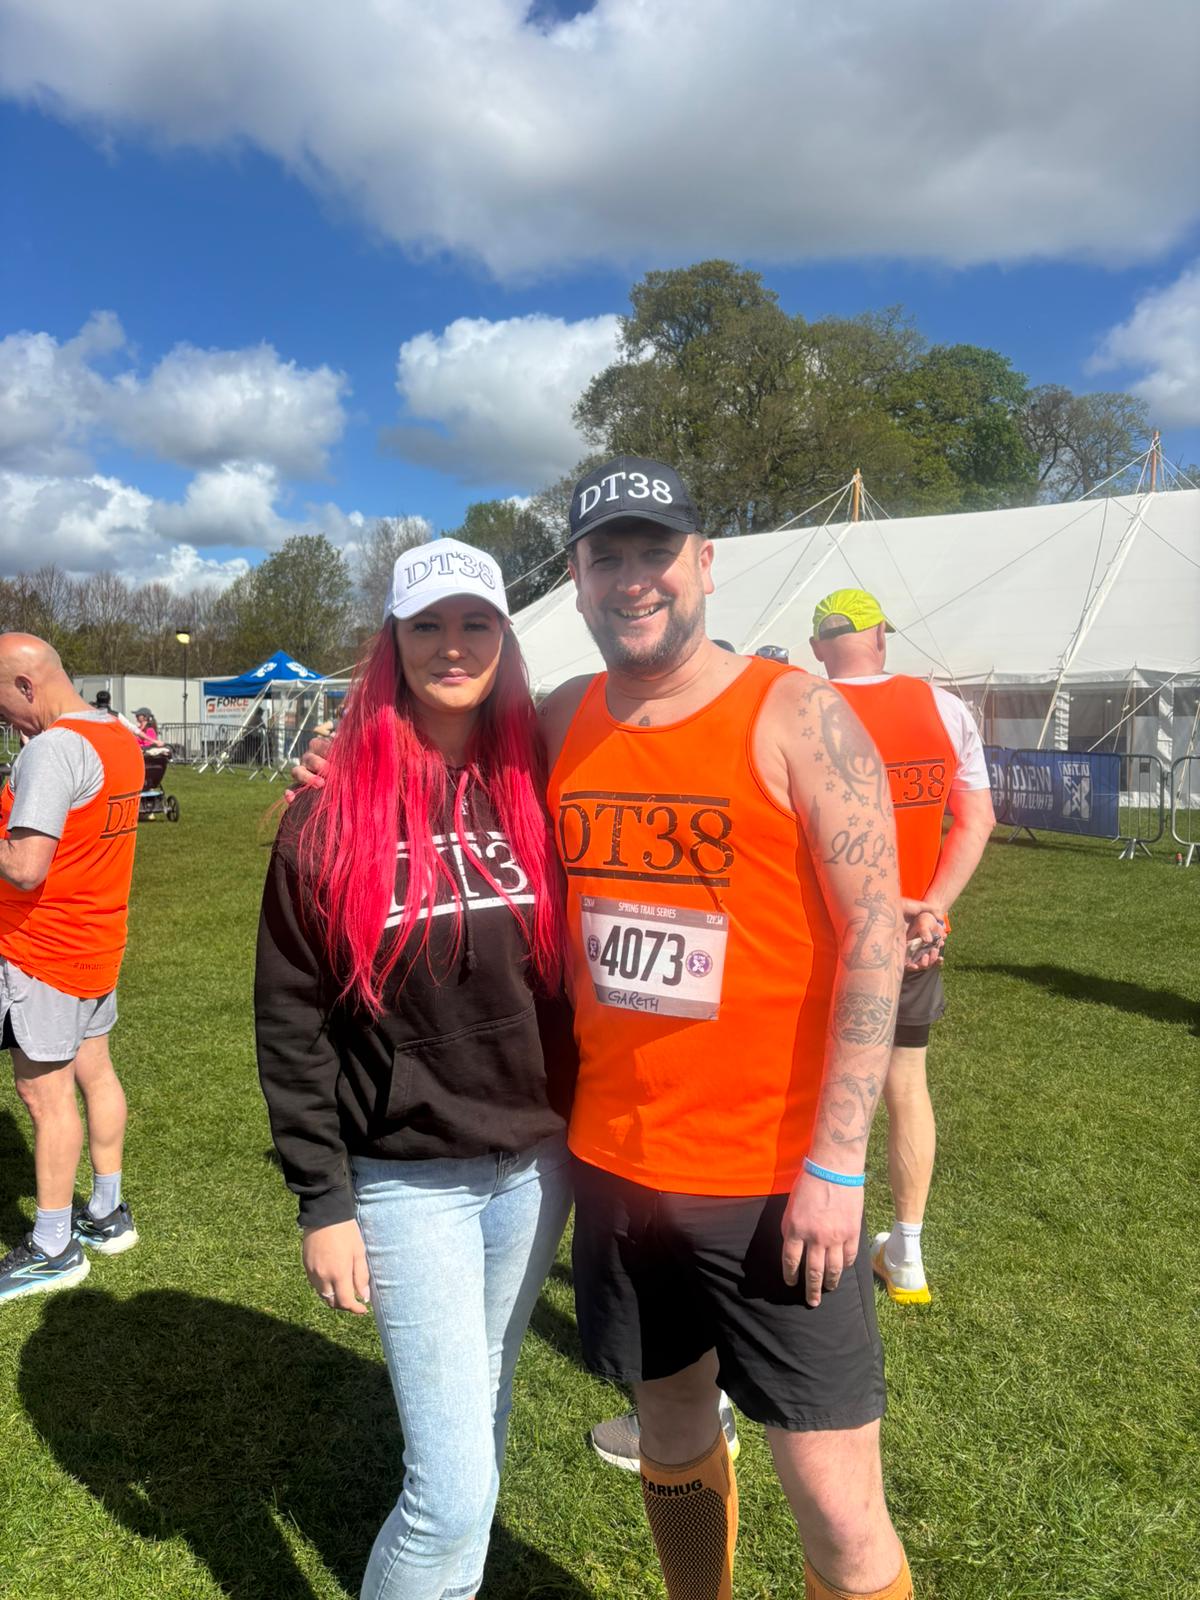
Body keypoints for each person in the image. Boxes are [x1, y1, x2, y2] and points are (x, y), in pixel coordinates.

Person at [535, 457, 913, 1600]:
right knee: (671, 1428)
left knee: (839, 1508)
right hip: (617, 1166)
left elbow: (877, 934)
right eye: (607, 556)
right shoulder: (559, 717)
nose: (633, 578)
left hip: (775, 1181)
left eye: (656, 552)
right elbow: (428, 768)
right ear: (576, 577)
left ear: (705, 563)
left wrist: (837, 1163)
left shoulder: (798, 711)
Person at [256, 539, 575, 1600]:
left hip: (536, 1167)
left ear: (504, 638)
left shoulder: (540, 778)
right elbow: (291, 1023)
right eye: (427, 625)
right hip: (405, 1178)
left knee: (482, 1422)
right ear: (392, 643)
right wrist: (323, 1201)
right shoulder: (327, 810)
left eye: (475, 623)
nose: (453, 646)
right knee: (450, 1492)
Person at [810, 589, 996, 1305]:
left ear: (820, 648)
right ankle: (907, 1254)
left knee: (809, 1090)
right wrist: (932, 909)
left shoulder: (799, 705)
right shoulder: (943, 708)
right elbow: (975, 819)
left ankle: (811, 1240)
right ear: (880, 637)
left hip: (819, 935)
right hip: (912, 939)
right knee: (905, 1086)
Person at [0, 636, 143, 1304]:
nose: (4, 719)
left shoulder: (53, 749)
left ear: (26, 686)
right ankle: (107, 1214)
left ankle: (54, 1248)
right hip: (97, 938)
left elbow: (26, 867)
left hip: (44, 950)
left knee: (45, 1096)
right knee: (96, 1073)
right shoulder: (117, 734)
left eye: (2, 703)